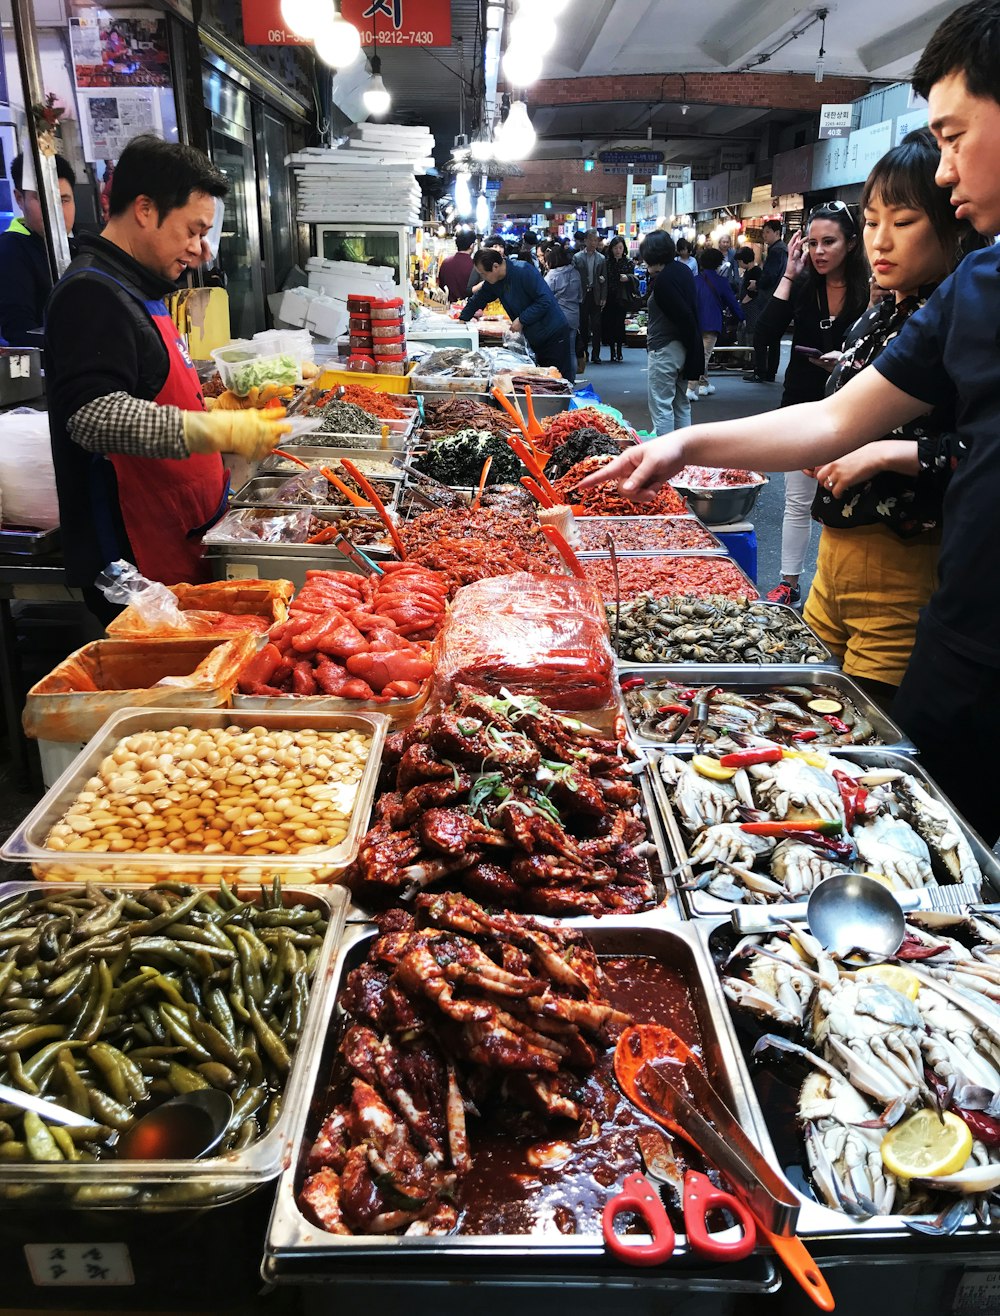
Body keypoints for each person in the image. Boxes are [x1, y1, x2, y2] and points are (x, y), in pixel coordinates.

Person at [576, 0, 1000, 842]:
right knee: (924, 836)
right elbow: (835, 420)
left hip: (929, 598)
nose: (946, 173)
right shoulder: (978, 286)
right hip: (968, 639)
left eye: (954, 137)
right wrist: (686, 443)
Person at [44, 135, 289, 623]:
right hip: (133, 560)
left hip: (181, 534)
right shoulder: (90, 294)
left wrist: (216, 409)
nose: (199, 250)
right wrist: (212, 432)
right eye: (193, 231)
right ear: (144, 208)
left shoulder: (139, 287)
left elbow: (150, 382)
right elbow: (94, 416)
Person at [802, 128, 986, 704]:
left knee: (864, 734)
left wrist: (881, 453)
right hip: (832, 558)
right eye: (872, 221)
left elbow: (979, 452)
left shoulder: (962, 320)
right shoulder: (878, 315)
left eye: (902, 223)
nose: (881, 241)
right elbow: (839, 418)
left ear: (953, 221)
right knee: (804, 712)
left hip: (904, 565)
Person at [757, 202, 870, 605]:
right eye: (812, 243)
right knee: (798, 499)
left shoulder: (870, 288)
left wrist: (846, 361)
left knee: (848, 498)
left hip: (857, 405)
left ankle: (837, 588)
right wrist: (789, 271)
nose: (819, 251)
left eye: (829, 242)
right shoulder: (803, 284)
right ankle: (789, 582)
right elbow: (764, 332)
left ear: (852, 244)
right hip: (802, 401)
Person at [459, 247, 573, 378]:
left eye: (483, 274)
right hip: (534, 336)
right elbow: (479, 298)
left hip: (553, 333)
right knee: (542, 379)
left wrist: (522, 319)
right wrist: (463, 318)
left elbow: (545, 300)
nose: (482, 277)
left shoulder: (523, 271)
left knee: (558, 380)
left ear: (495, 266)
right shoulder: (494, 282)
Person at [0, 153, 76, 346]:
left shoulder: (80, 245)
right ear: (19, 199)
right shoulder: (11, 250)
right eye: (42, 198)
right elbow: (20, 332)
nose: (55, 210)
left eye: (64, 200)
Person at [641, 230, 703, 437]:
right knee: (680, 403)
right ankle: (685, 458)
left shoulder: (664, 282)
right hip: (684, 348)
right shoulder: (682, 271)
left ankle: (664, 461)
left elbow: (682, 315)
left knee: (661, 406)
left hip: (665, 349)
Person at [694, 247, 745, 397]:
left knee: (701, 354)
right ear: (718, 263)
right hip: (712, 322)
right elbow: (732, 303)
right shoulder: (722, 282)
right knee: (704, 355)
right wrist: (742, 317)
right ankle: (692, 386)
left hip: (695, 322)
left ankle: (704, 383)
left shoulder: (695, 280)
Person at [745, 218, 787, 383]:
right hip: (779, 297)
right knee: (774, 338)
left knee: (760, 335)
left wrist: (757, 284)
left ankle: (760, 371)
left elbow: (769, 276)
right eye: (764, 232)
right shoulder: (783, 250)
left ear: (777, 233)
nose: (764, 235)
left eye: (767, 232)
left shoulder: (776, 251)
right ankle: (770, 372)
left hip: (770, 297)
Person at [543, 242, 583, 382]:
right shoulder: (575, 273)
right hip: (573, 316)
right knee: (571, 351)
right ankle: (571, 381)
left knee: (558, 352)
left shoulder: (552, 275)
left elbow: (544, 297)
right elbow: (580, 296)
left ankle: (560, 381)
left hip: (557, 318)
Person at [572, 228, 607, 366]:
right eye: (591, 239)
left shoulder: (602, 258)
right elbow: (574, 278)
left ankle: (596, 355)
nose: (594, 242)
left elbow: (605, 279)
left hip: (596, 294)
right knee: (583, 325)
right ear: (585, 240)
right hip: (582, 294)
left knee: (597, 325)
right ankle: (584, 352)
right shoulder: (577, 257)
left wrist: (604, 296)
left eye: (595, 240)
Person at [601, 235, 637, 363]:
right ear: (611, 249)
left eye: (620, 248)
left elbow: (634, 279)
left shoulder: (628, 263)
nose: (618, 250)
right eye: (615, 248)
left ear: (624, 249)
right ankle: (612, 350)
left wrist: (627, 278)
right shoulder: (606, 263)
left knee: (620, 323)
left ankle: (620, 350)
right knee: (609, 323)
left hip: (622, 298)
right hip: (609, 296)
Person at [437, 229, 475, 303]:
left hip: (448, 309)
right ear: (472, 245)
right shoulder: (475, 265)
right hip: (469, 310)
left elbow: (441, 287)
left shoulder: (445, 263)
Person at [735, 245, 762, 340]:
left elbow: (752, 293)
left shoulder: (756, 272)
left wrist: (742, 303)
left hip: (752, 309)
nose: (739, 264)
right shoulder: (747, 272)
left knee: (750, 334)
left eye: (739, 261)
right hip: (746, 309)